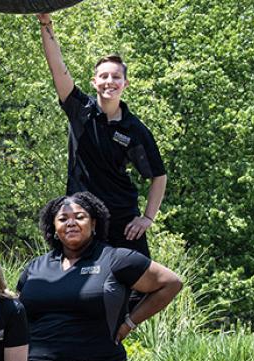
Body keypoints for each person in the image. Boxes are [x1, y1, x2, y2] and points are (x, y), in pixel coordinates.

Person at [17, 192, 181, 361]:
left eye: (80, 217)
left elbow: (171, 283)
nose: (71, 222)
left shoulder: (115, 259)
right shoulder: (36, 267)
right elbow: (20, 311)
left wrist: (129, 323)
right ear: (53, 227)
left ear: (94, 223)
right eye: (63, 219)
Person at [37, 11, 167, 259]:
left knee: (142, 287)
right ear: (94, 81)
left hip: (123, 223)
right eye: (104, 76)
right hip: (82, 219)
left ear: (125, 84)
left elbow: (158, 176)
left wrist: (147, 218)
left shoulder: (134, 129)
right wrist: (46, 23)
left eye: (116, 77)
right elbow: (58, 68)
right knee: (80, 286)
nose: (110, 81)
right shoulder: (80, 111)